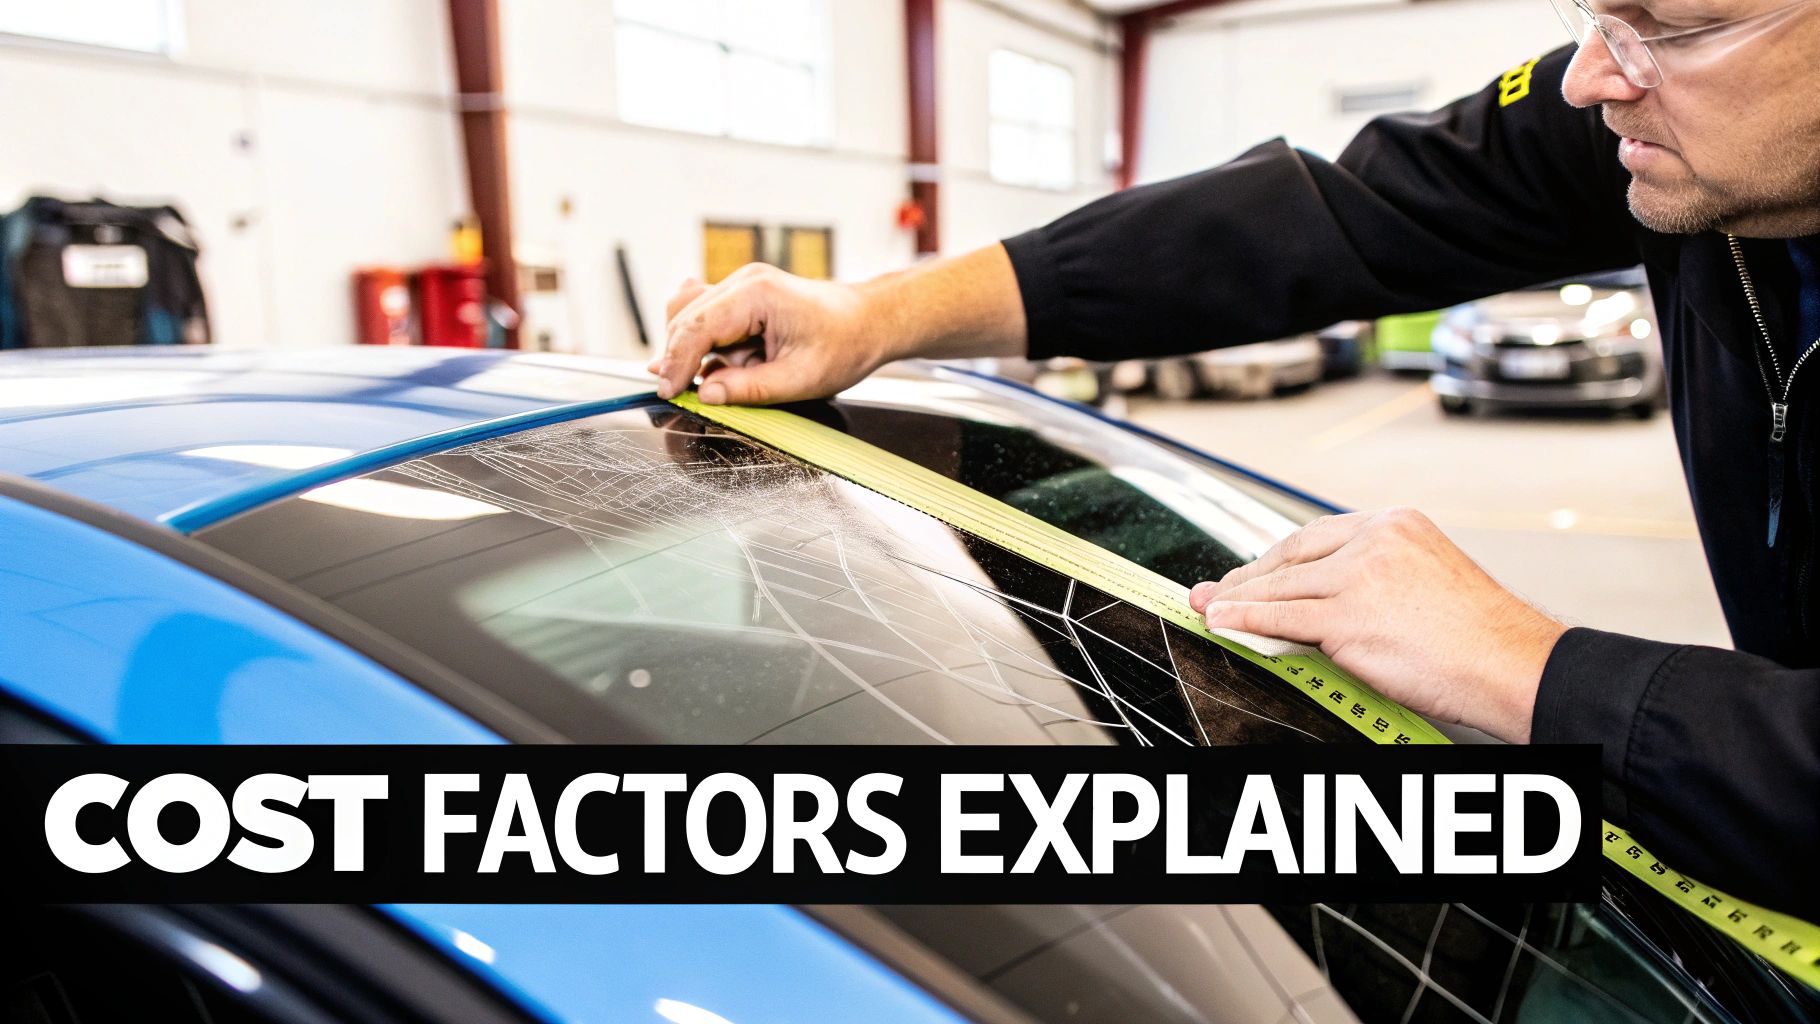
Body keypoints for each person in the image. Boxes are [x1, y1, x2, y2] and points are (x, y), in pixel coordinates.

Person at [648, 1, 1820, 918]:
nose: (1590, 77)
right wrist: (877, 313)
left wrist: (1528, 667)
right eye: (1593, 16)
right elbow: (1327, 217)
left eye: (1677, 25)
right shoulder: (1675, 126)